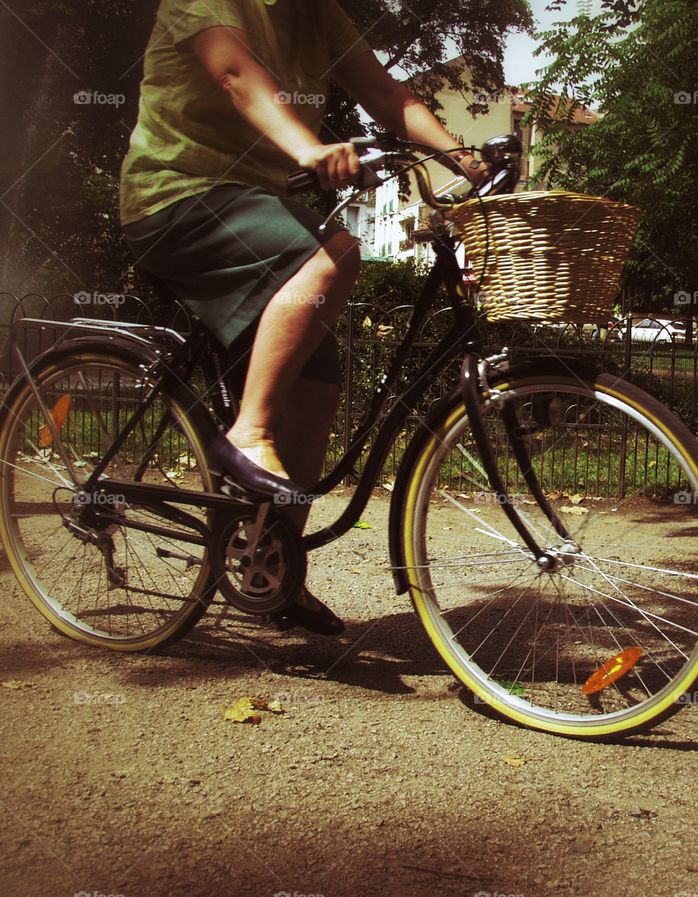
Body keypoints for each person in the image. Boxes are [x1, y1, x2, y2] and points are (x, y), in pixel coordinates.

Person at [120, 0, 487, 632]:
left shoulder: (319, 15)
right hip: (176, 196)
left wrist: (463, 157)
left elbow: (384, 92)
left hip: (260, 209)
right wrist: (309, 149)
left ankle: (271, 574)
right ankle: (248, 431)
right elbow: (238, 76)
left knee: (316, 388)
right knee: (337, 253)